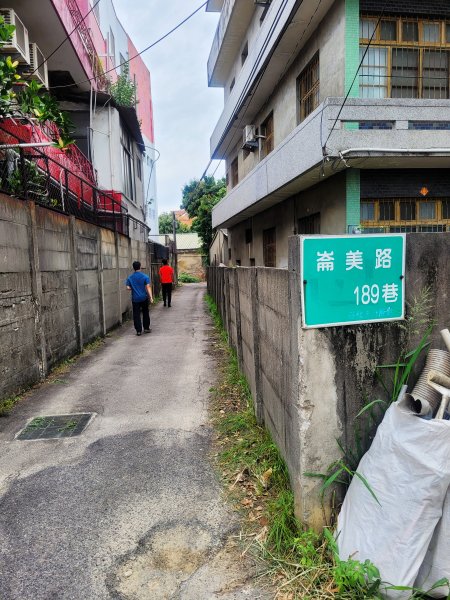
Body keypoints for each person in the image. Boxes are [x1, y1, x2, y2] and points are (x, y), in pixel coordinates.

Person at [126, 261, 153, 336]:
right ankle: (146, 328)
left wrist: (133, 288)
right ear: (140, 267)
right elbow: (148, 287)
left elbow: (127, 287)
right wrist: (151, 297)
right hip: (144, 298)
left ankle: (138, 331)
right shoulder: (145, 276)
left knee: (136, 314)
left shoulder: (130, 277)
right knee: (145, 312)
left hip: (135, 299)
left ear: (133, 268)